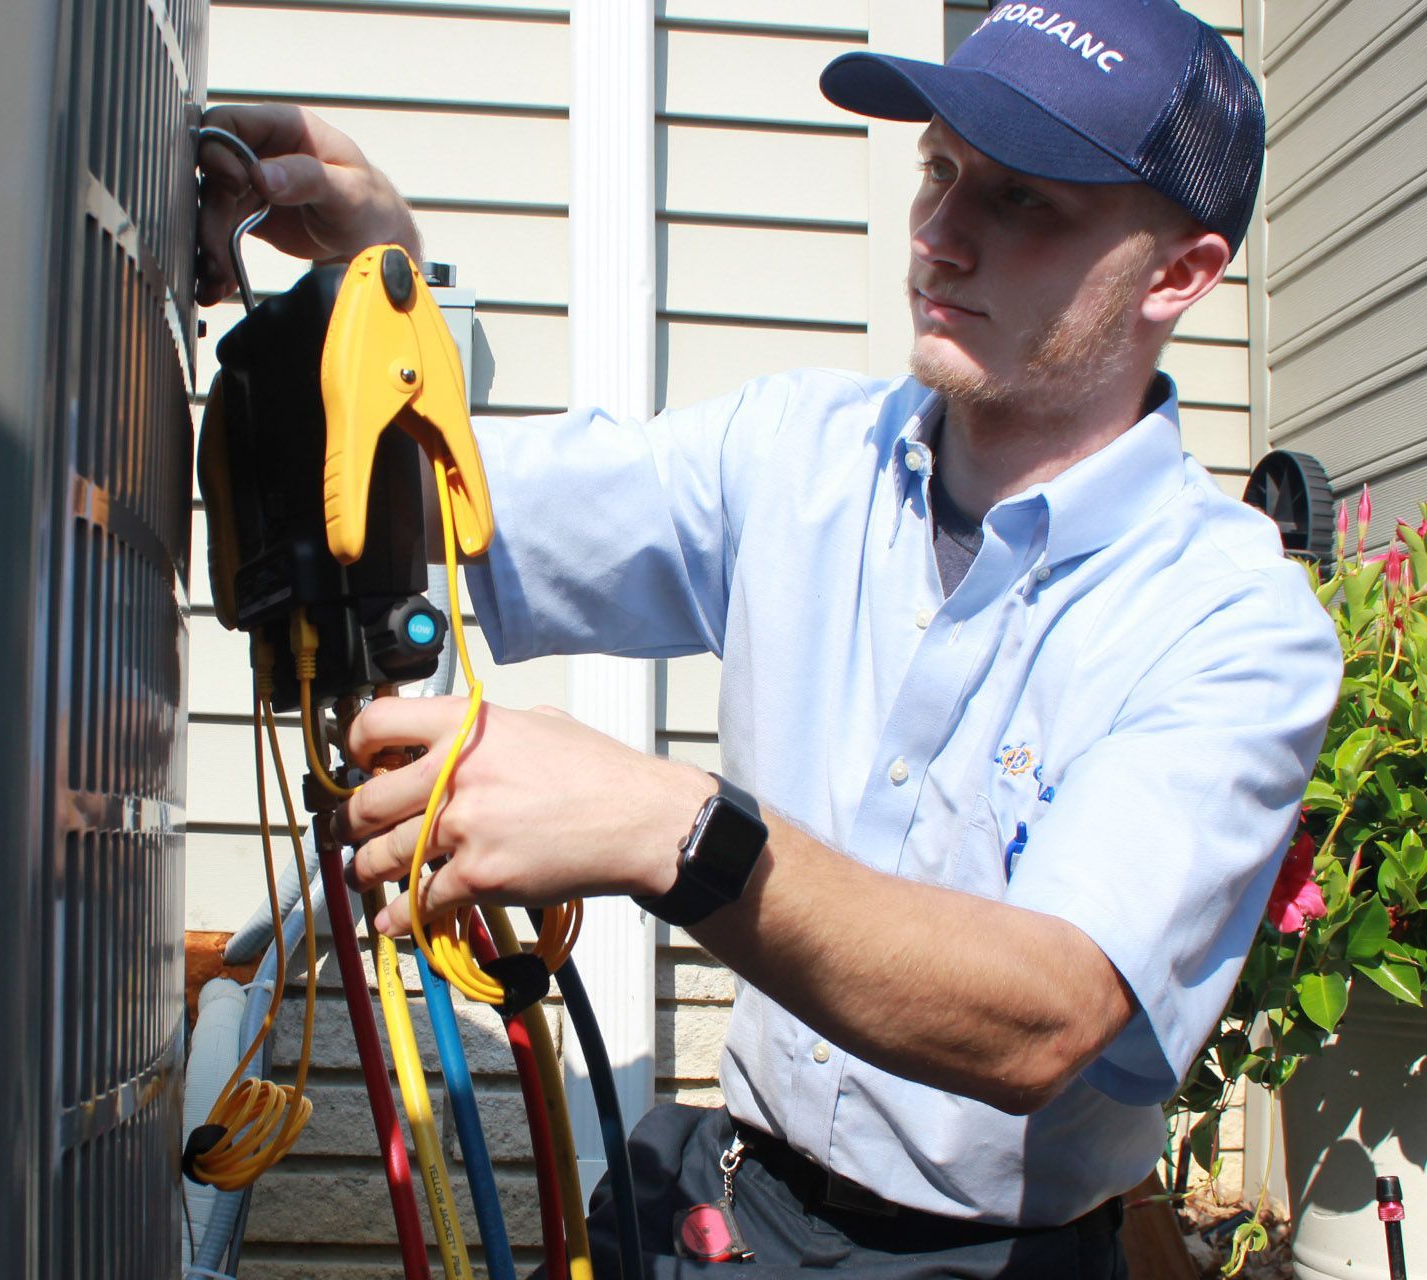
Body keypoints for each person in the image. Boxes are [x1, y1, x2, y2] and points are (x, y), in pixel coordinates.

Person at [197, 1, 1342, 1274]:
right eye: (940, 171)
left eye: (1022, 201)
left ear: (1180, 273)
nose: (939, 236)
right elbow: (443, 512)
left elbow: (1046, 1012)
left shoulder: (1234, 618)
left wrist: (676, 829)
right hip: (724, 1205)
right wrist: (370, 298)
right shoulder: (799, 453)